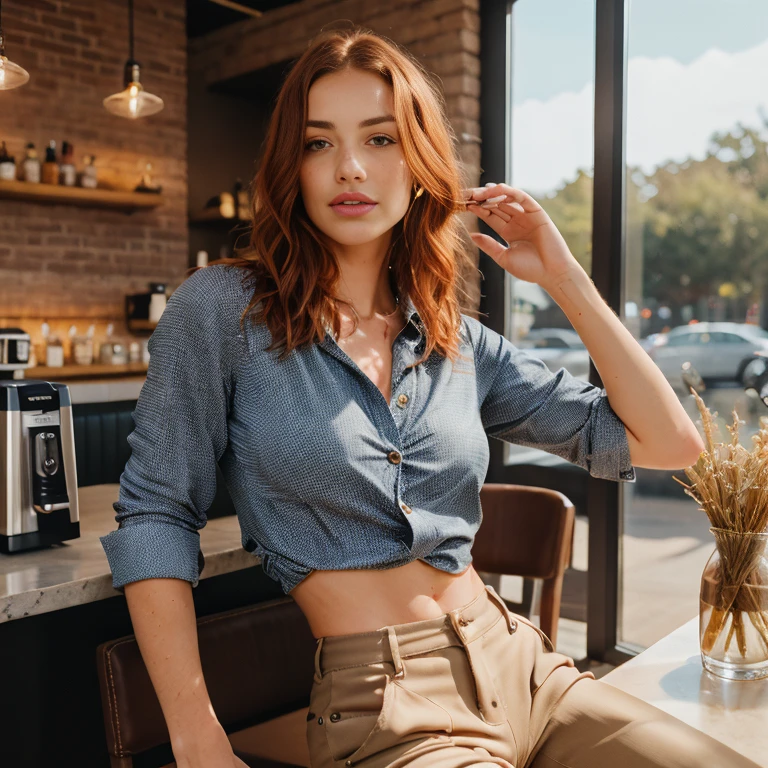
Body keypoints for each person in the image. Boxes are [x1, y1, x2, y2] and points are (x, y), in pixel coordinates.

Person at [100, 27, 757, 768]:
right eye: (319, 143)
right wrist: (198, 739)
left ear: (417, 162)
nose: (349, 166)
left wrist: (566, 278)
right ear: (292, 165)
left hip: (528, 672)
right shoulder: (222, 312)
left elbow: (671, 444)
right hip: (390, 705)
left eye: (380, 139)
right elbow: (156, 512)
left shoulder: (458, 342)